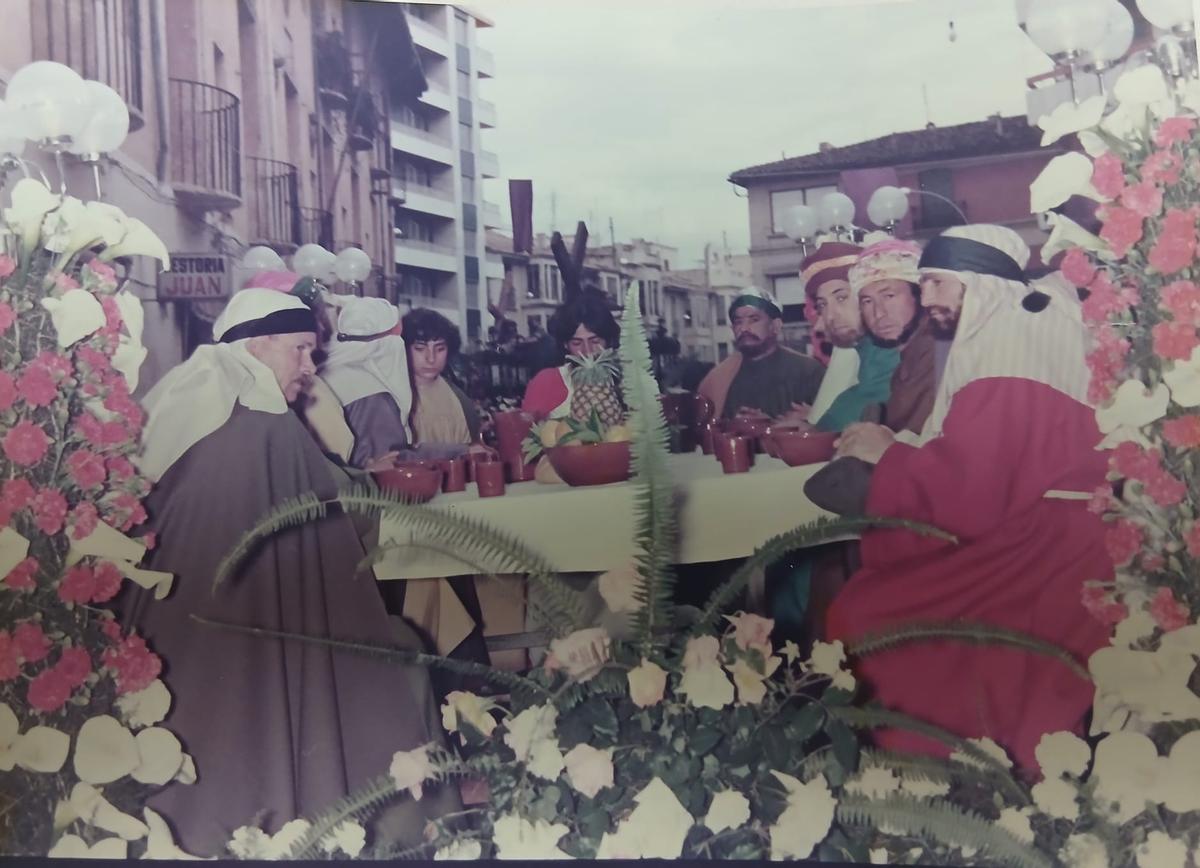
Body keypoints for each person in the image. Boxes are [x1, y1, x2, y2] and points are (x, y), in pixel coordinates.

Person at [125, 288, 459, 855]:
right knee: (405, 656)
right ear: (256, 346)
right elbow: (343, 520)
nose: (310, 367)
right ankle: (413, 835)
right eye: (300, 350)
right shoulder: (268, 425)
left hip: (173, 658)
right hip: (259, 653)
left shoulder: (186, 412)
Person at [824, 224, 1111, 774]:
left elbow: (970, 491)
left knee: (870, 612)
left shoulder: (1010, 340)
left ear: (978, 282)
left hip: (1044, 546)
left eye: (937, 282)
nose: (927, 296)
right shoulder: (1015, 325)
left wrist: (888, 454)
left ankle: (941, 769)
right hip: (1040, 526)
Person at [321, 297, 468, 468]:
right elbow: (392, 461)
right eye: (418, 348)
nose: (430, 358)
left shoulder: (329, 373)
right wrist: (461, 452)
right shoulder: (369, 392)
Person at [800, 241, 900, 433]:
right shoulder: (865, 347)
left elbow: (871, 397)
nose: (830, 315)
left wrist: (818, 431)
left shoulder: (889, 343)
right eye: (823, 304)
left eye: (841, 298)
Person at [847, 239, 940, 435]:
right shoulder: (909, 358)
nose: (878, 313)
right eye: (867, 301)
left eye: (889, 296)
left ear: (920, 295)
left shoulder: (936, 352)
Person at [697, 286, 825, 420]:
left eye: (754, 319)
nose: (744, 328)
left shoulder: (809, 371)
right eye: (738, 322)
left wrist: (770, 425)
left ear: (775, 326)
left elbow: (829, 425)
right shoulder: (720, 378)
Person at [522, 289, 624, 423]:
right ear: (565, 344)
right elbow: (524, 429)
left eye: (595, 341)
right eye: (577, 343)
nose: (587, 351)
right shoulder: (547, 381)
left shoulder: (627, 380)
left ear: (608, 340)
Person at [402, 308, 484, 448]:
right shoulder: (390, 398)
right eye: (420, 349)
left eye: (440, 349)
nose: (431, 358)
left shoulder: (460, 401)